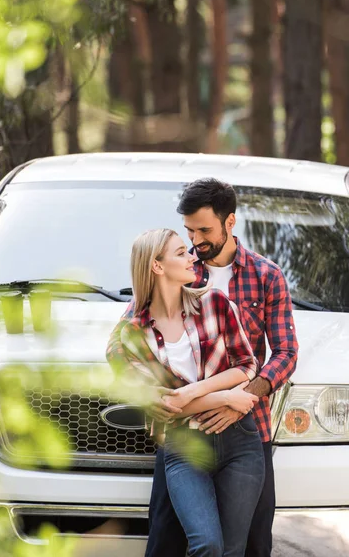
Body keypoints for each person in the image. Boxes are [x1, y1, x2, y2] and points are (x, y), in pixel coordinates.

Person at [107, 178, 299, 557]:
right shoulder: (183, 273)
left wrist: (238, 399)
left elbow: (285, 354)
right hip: (182, 436)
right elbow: (133, 329)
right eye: (189, 231)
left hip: (247, 428)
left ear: (230, 223)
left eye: (204, 230)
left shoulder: (266, 276)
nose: (195, 241)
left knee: (251, 545)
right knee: (167, 540)